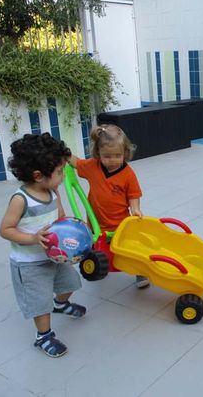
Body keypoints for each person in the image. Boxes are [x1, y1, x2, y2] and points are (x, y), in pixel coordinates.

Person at [0, 133, 85, 358]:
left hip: (55, 257)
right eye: (60, 172)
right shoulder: (21, 200)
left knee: (71, 283)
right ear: (38, 175)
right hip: (29, 264)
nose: (63, 176)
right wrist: (33, 239)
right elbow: (5, 230)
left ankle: (60, 303)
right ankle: (44, 336)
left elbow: (60, 217)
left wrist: (74, 229)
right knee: (40, 302)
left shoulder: (52, 191)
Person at [69, 123, 150, 288]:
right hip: (96, 222)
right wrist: (64, 154)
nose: (112, 160)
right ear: (98, 153)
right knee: (96, 245)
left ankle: (140, 272)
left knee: (131, 248)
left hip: (120, 222)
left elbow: (133, 195)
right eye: (107, 156)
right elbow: (76, 162)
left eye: (117, 155)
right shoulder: (92, 166)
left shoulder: (128, 174)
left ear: (125, 153)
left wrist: (135, 209)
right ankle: (98, 264)